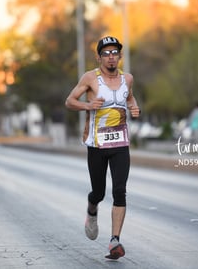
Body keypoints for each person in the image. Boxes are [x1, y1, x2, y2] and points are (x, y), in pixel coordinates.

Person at [65, 36, 140, 259]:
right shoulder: (90, 78)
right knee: (99, 191)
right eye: (106, 53)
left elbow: (130, 100)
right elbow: (69, 101)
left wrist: (134, 108)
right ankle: (92, 207)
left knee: (119, 190)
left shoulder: (128, 78)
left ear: (119, 56)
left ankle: (114, 241)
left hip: (120, 144)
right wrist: (88, 105)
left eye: (114, 53)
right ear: (99, 57)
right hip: (97, 144)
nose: (111, 57)